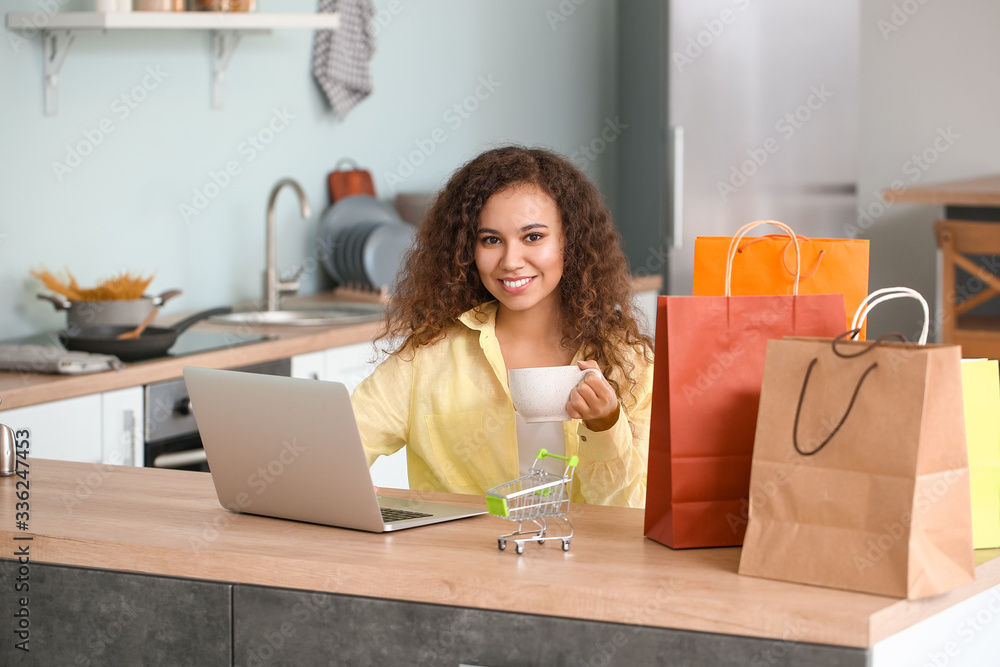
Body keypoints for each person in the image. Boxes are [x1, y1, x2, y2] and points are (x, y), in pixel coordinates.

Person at [351, 146, 654, 508]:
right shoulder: (428, 357)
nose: (511, 261)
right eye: (491, 240)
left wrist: (604, 426)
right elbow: (341, 444)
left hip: (583, 561)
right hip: (456, 562)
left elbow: (632, 511)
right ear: (468, 249)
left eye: (533, 237)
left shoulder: (629, 363)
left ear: (569, 242)